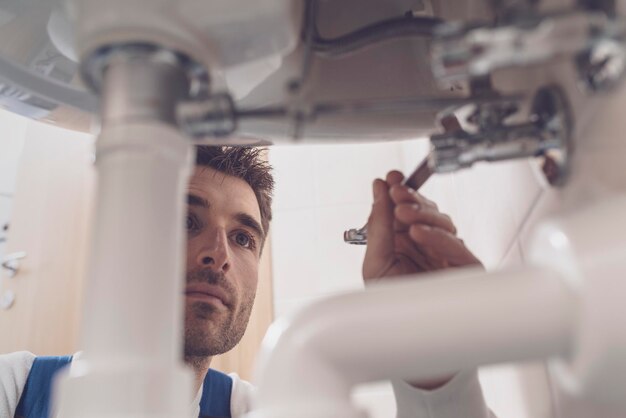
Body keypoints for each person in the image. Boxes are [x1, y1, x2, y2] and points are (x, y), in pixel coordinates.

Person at [0, 146, 491, 418]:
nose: (219, 254)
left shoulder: (256, 411)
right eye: (185, 222)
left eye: (243, 237)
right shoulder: (14, 388)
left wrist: (433, 352)